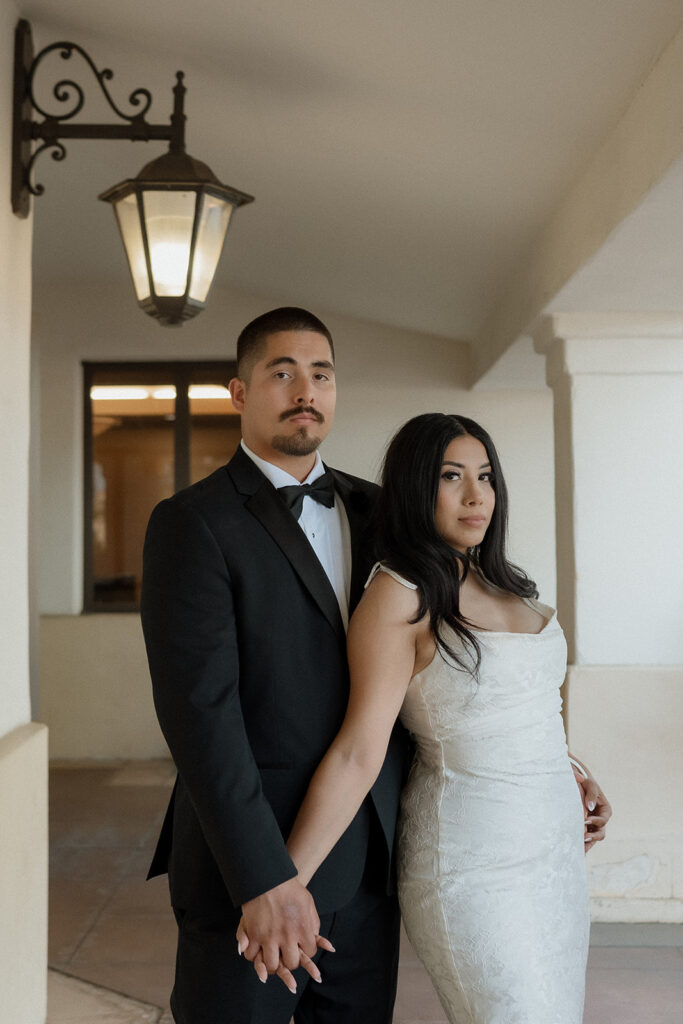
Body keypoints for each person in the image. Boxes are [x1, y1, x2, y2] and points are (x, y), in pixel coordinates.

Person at [244, 412, 609, 1023]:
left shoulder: (509, 586)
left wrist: (571, 767)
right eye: (452, 476)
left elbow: (515, 709)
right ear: (417, 487)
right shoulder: (401, 594)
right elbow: (359, 750)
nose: (476, 495)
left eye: (487, 477)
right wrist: (284, 885)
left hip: (554, 859)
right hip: (473, 865)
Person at [140, 308, 412, 1024]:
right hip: (245, 872)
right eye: (281, 372)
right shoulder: (191, 522)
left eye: (320, 374)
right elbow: (200, 717)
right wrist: (265, 878)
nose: (305, 389)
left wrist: (554, 765)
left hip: (363, 864)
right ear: (238, 393)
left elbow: (446, 664)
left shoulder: (382, 512)